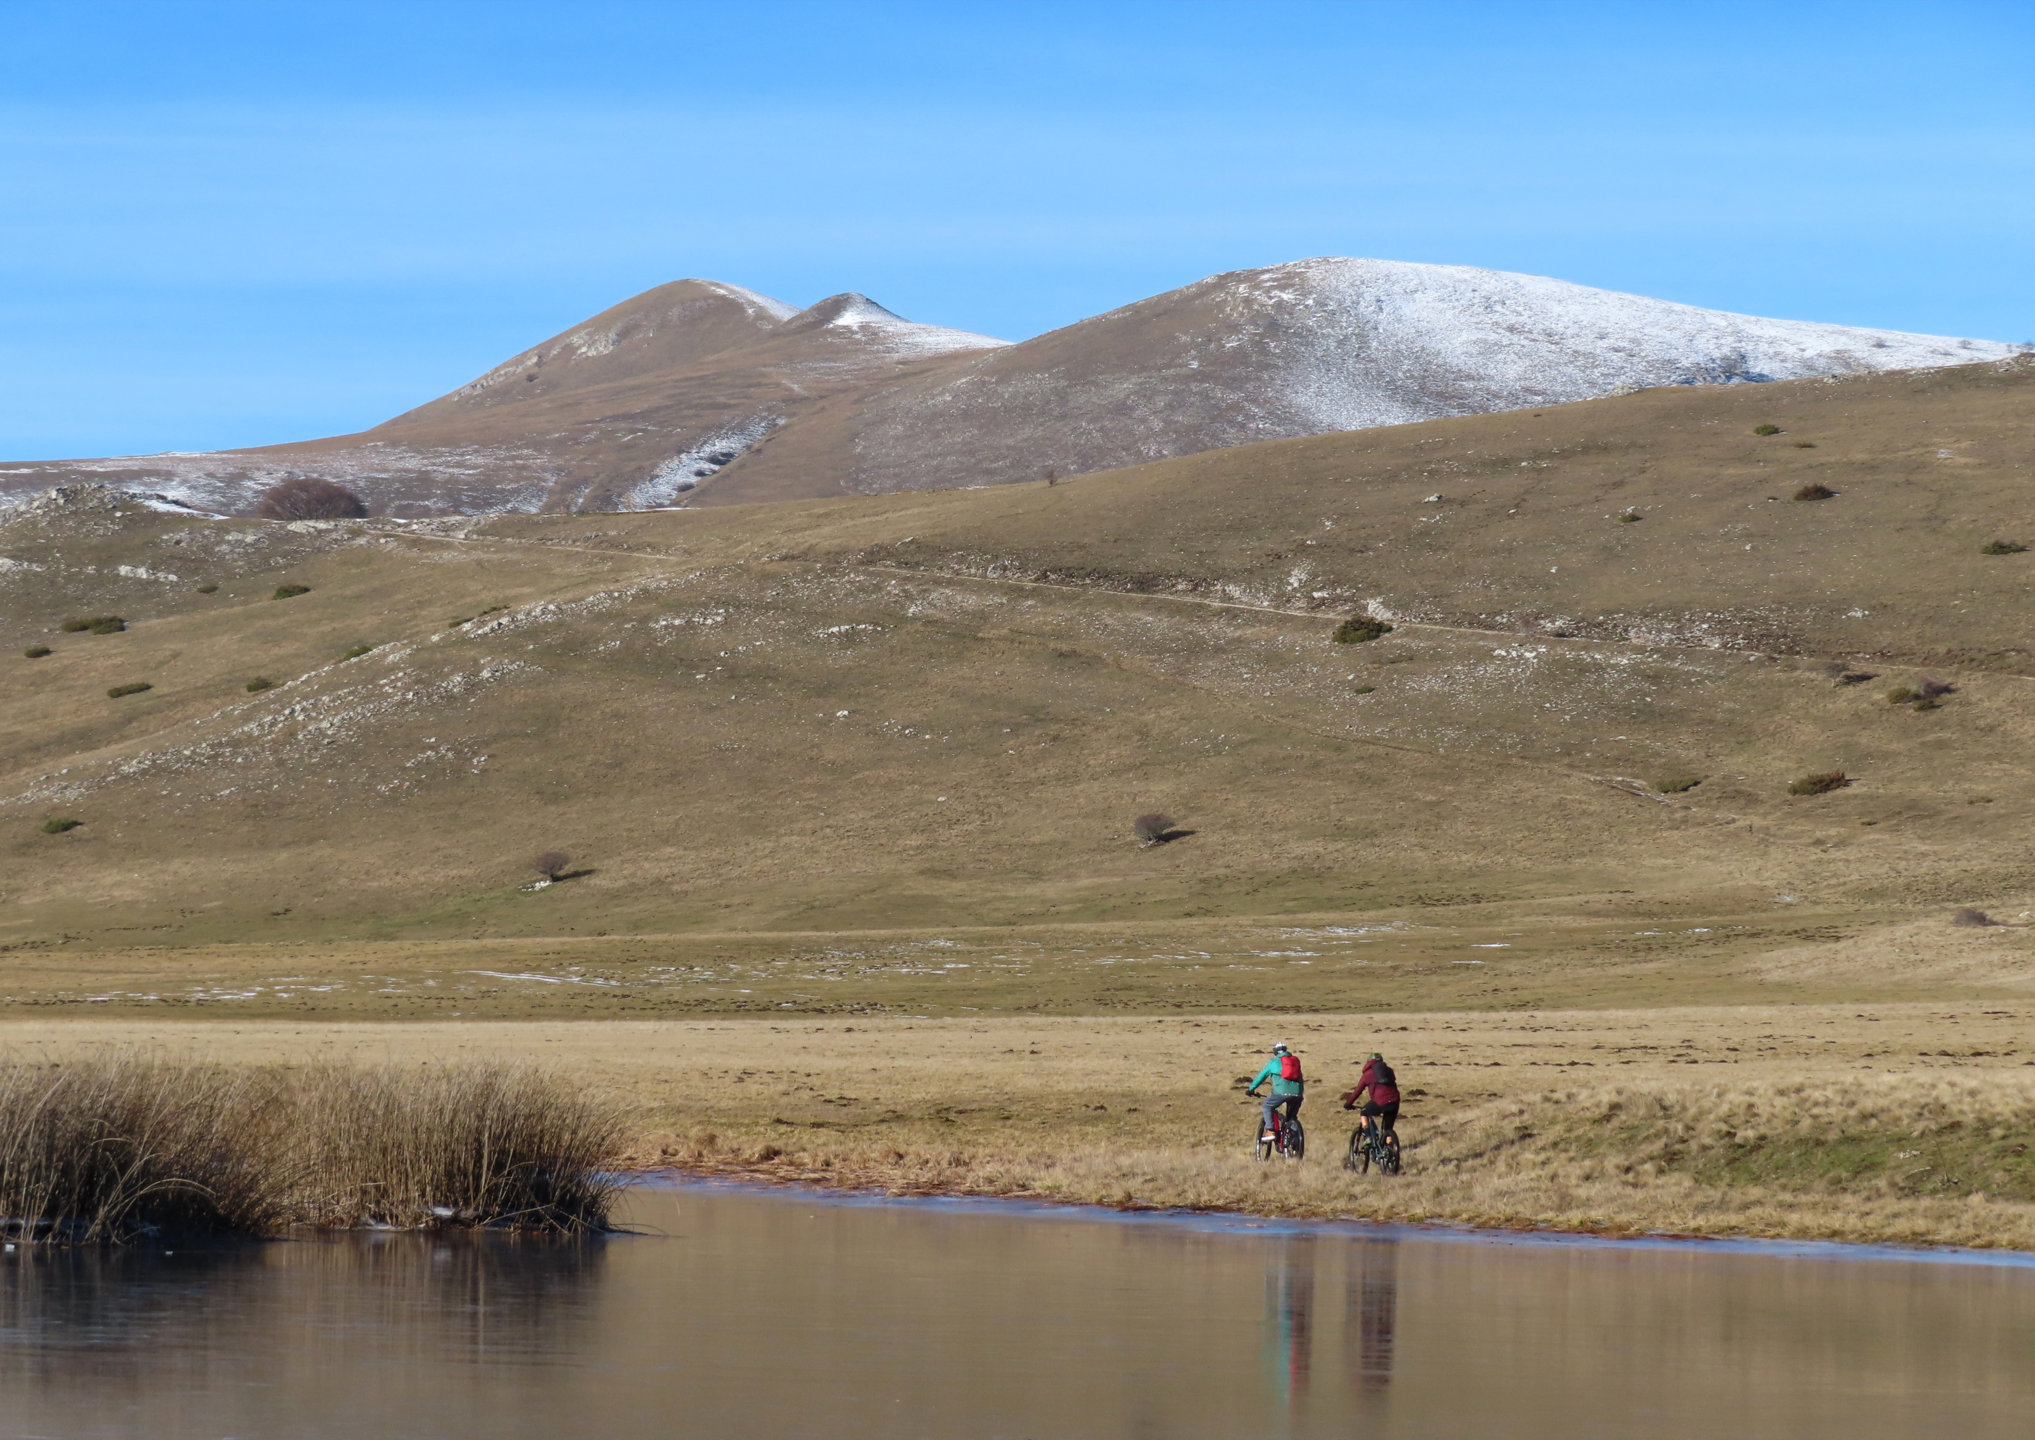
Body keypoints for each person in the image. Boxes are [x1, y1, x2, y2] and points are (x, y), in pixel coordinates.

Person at [1246, 1042, 1305, 1140]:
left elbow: (1261, 1077)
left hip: (1280, 1093)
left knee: (1267, 1106)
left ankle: (1270, 1130)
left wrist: (1251, 1089)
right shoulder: (1295, 1061)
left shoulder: (1274, 1062)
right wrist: (1299, 1094)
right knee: (1291, 1118)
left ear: (1275, 1052)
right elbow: (1301, 1079)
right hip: (1297, 1094)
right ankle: (1294, 1138)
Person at [1341, 1052, 1400, 1144]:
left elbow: (1358, 1091)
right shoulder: (1389, 1071)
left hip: (1380, 1101)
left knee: (1364, 1111)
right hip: (1395, 1101)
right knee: (1387, 1129)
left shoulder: (1368, 1074)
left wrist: (1348, 1103)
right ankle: (1390, 1151)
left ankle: (1368, 1136)